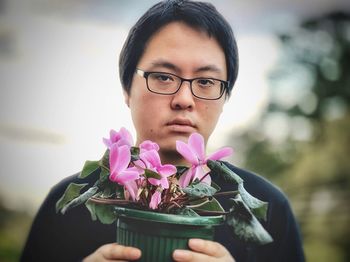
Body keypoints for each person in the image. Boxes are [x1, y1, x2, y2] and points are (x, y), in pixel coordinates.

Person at [21, 0, 305, 261]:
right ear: (126, 89)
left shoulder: (268, 209)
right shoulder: (68, 205)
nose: (184, 99)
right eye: (164, 77)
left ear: (225, 97)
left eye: (206, 81)